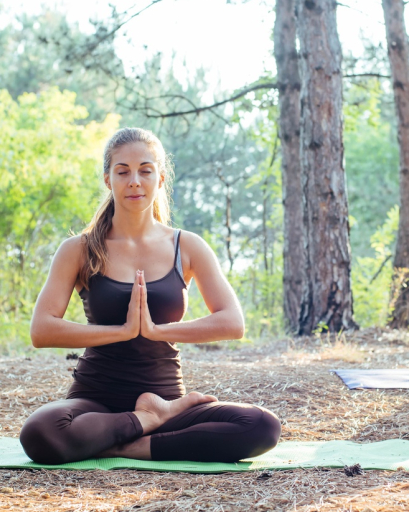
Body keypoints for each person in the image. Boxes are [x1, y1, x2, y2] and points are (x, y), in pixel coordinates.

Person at [20, 128, 281, 465]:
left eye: (145, 170)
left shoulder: (187, 246)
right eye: (123, 171)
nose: (134, 182)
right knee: (41, 433)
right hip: (95, 401)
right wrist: (122, 331)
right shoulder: (79, 249)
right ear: (107, 179)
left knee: (262, 426)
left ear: (160, 179)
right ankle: (144, 423)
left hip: (166, 400)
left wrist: (156, 331)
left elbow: (232, 322)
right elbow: (41, 330)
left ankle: (127, 443)